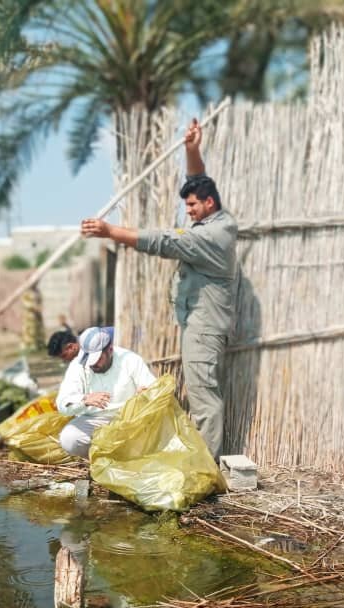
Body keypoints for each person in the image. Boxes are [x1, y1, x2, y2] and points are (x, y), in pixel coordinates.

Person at [80, 117, 237, 458]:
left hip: (205, 327)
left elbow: (164, 242)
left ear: (209, 204)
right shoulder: (213, 219)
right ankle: (200, 457)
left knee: (203, 396)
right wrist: (192, 150)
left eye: (193, 205)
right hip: (200, 324)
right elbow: (198, 181)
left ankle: (205, 465)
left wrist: (111, 232)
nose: (189, 211)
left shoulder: (212, 236)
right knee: (201, 392)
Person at [56, 326, 156, 458]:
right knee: (69, 439)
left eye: (97, 359)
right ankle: (101, 459)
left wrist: (144, 395)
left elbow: (154, 389)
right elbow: (62, 404)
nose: (93, 364)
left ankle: (130, 456)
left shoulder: (130, 359)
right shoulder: (78, 365)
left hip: (130, 420)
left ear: (109, 350)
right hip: (95, 420)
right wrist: (84, 400)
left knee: (154, 432)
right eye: (90, 361)